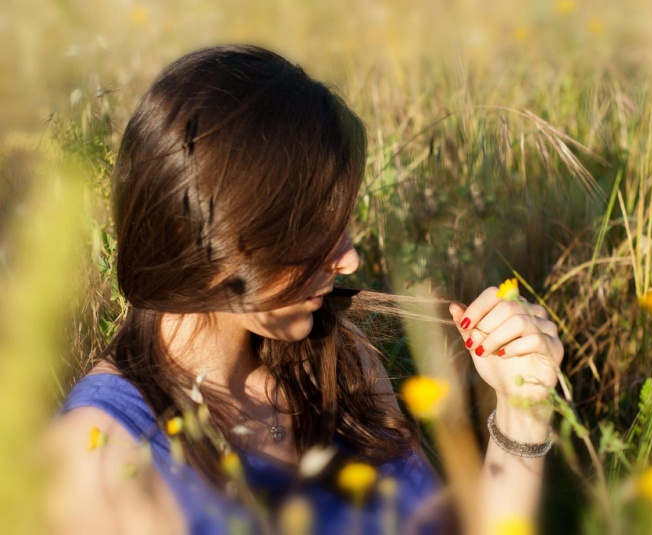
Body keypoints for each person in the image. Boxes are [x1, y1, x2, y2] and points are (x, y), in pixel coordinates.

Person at [45, 45, 564, 534]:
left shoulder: (340, 366)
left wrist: (523, 412)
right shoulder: (99, 462)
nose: (351, 258)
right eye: (314, 231)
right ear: (217, 237)